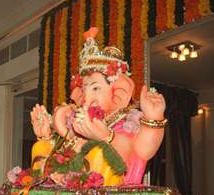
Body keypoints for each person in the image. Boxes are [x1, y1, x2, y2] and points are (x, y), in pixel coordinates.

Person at [30, 27, 166, 186]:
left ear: (118, 92)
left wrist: (153, 118)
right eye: (85, 89)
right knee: (40, 146)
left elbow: (142, 150)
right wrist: (46, 136)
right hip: (72, 192)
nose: (87, 97)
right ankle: (41, 190)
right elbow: (64, 160)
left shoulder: (127, 122)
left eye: (95, 88)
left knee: (100, 151)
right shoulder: (79, 123)